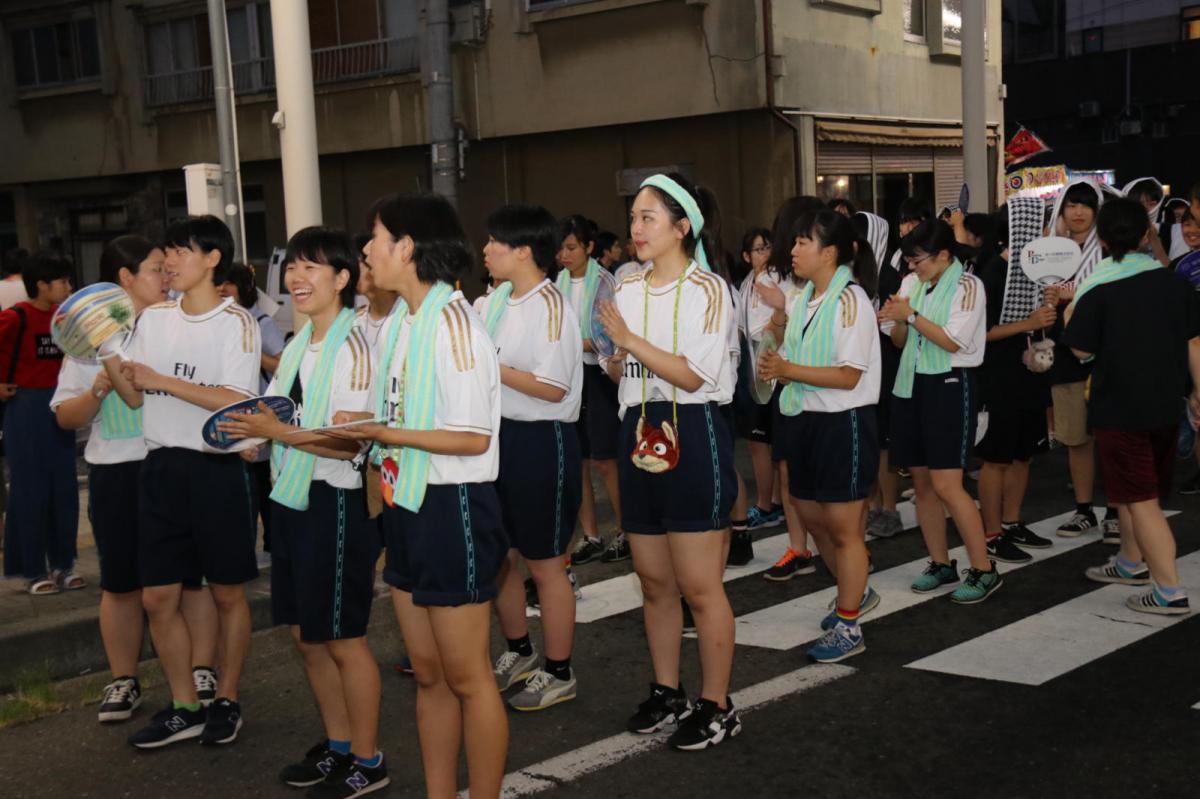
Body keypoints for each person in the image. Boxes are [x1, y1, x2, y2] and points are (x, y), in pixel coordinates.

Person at [331, 193, 508, 798]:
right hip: (407, 501)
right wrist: (371, 423)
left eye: (375, 237)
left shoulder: (454, 324)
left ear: (406, 248)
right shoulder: (403, 322)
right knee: (429, 674)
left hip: (451, 507)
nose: (367, 251)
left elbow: (470, 436)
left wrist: (384, 430)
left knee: (468, 677)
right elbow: (402, 413)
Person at [218, 226, 388, 796]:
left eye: (313, 267)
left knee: (342, 637)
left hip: (333, 501)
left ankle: (369, 760)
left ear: (343, 279)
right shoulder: (296, 345)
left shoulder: (356, 346)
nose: (297, 277)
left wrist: (277, 433)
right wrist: (256, 438)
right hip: (290, 497)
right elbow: (278, 418)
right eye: (293, 266)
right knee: (306, 637)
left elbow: (350, 443)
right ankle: (339, 747)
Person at [103, 215, 262, 748]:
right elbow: (135, 396)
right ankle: (184, 705)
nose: (169, 260)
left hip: (215, 468)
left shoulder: (235, 321)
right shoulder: (153, 320)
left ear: (212, 259)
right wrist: (113, 366)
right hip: (161, 467)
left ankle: (228, 698)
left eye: (180, 250)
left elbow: (237, 401)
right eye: (166, 251)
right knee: (157, 597)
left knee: (227, 595)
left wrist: (159, 380)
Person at [597, 172, 740, 750]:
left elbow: (691, 373)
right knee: (653, 580)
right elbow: (622, 370)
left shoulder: (709, 289)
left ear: (683, 227)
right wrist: (618, 357)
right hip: (639, 429)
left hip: (695, 429)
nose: (636, 228)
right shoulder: (627, 289)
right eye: (633, 217)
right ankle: (667, 690)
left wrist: (628, 344)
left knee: (700, 586)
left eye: (648, 217)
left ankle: (718, 704)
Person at [50, 236, 169, 721]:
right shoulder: (88, 335)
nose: (167, 276)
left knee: (185, 581)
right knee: (120, 583)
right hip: (115, 471)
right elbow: (65, 417)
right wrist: (99, 388)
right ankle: (123, 680)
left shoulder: (175, 325)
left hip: (170, 462)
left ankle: (199, 672)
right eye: (157, 268)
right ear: (126, 277)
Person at [758, 209, 881, 662]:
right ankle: (856, 590)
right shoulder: (804, 298)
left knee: (845, 529)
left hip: (842, 421)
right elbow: (791, 356)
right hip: (803, 417)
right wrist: (775, 362)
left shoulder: (852, 301)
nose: (792, 250)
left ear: (829, 252)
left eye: (802, 243)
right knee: (811, 515)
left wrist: (788, 369)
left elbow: (849, 376)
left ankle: (849, 624)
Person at [1066, 197, 1198, 615]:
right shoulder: (1174, 281)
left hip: (1119, 407)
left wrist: (1069, 313)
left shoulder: (1098, 287)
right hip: (1165, 402)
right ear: (1147, 234)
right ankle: (1129, 562)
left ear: (1102, 238)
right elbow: (1194, 341)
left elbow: (1081, 348)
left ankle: (1168, 591)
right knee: (1134, 492)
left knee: (1141, 501)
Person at [480, 204, 585, 711]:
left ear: (522, 250)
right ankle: (519, 651)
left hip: (542, 441)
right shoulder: (495, 301)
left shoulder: (552, 306)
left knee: (546, 563)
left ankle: (559, 670)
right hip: (499, 438)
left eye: (494, 242)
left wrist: (489, 367)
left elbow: (551, 387)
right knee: (502, 557)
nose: (485, 251)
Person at [878, 219, 1002, 603]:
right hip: (910, 383)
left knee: (948, 483)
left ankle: (984, 568)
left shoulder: (968, 286)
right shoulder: (912, 284)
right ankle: (941, 562)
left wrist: (910, 316)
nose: (913, 268)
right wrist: (900, 320)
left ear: (944, 255)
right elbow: (897, 340)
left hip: (949, 383)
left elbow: (951, 341)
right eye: (910, 260)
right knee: (923, 484)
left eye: (919, 260)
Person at [973, 200, 1056, 565]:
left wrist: (1049, 312)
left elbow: (1042, 326)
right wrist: (1030, 322)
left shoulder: (1036, 273)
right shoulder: (993, 271)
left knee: (1023, 454)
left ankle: (1012, 521)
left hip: (1030, 373)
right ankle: (991, 534)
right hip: (999, 376)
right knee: (996, 458)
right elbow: (980, 334)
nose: (1044, 236)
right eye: (1039, 228)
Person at [757, 196, 826, 581]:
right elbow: (775, 329)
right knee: (788, 473)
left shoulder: (832, 282)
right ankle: (797, 548)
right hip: (787, 385)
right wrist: (778, 314)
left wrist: (782, 304)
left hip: (820, 389)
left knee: (823, 478)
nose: (796, 248)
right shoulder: (780, 275)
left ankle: (841, 545)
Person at [0, 252, 76, 594]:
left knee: (64, 488)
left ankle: (63, 564)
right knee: (30, 490)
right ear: (42, 285)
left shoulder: (66, 320)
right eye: (62, 281)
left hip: (61, 405)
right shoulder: (15, 317)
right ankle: (32, 570)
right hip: (25, 408)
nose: (69, 287)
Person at [1046, 180, 1116, 541]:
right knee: (1075, 437)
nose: (1077, 212)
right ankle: (1084, 509)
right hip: (1065, 353)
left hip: (1108, 354)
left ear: (1097, 210)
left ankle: (1117, 510)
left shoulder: (1109, 250)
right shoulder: (1047, 252)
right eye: (1071, 205)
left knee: (1111, 434)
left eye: (1085, 205)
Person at [557, 215, 626, 566]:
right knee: (579, 459)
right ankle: (591, 534)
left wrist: (570, 342)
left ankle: (626, 530)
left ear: (588, 247)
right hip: (570, 377)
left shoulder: (605, 282)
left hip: (599, 375)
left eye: (571, 247)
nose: (565, 255)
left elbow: (607, 337)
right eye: (561, 248)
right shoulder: (556, 283)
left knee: (606, 459)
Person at [219, 262, 286, 564]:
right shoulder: (220, 322)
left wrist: (251, 351)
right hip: (233, 415)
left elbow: (282, 366)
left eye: (228, 284)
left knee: (261, 484)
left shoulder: (261, 322)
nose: (222, 290)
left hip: (258, 414)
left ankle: (272, 546)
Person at [733, 227, 783, 540]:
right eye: (757, 249)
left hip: (774, 363)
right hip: (753, 366)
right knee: (758, 442)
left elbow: (781, 319)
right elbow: (741, 328)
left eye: (767, 248)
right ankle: (771, 502)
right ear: (746, 256)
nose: (763, 254)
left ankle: (768, 504)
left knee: (766, 441)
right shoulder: (746, 284)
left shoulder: (777, 279)